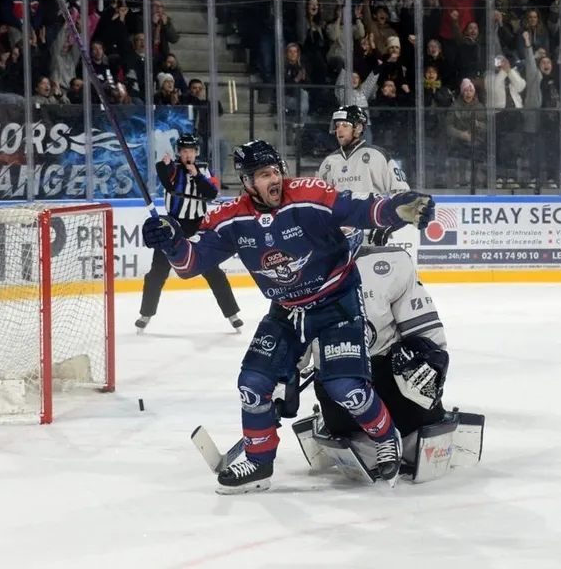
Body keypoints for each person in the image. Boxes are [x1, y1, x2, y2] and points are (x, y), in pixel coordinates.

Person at [141, 140, 435, 494]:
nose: (274, 179)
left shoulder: (310, 194)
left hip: (336, 302)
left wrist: (395, 209)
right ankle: (259, 461)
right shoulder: (230, 217)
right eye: (264, 175)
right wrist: (171, 241)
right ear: (247, 181)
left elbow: (359, 209)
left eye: (275, 171)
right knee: (252, 384)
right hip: (286, 310)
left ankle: (387, 438)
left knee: (346, 388)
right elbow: (191, 263)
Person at [292, 228, 484, 483]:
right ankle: (380, 439)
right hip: (343, 393)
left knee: (411, 447)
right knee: (385, 451)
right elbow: (292, 350)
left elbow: (428, 338)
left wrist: (428, 364)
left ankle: (383, 438)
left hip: (382, 388)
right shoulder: (296, 273)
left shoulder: (387, 265)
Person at [135, 133, 243, 334]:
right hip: (173, 227)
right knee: (157, 272)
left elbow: (211, 193)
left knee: (213, 271)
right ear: (178, 152)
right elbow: (166, 181)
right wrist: (163, 165)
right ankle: (146, 313)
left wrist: (196, 174)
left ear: (196, 152)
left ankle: (232, 314)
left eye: (191, 151)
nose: (187, 155)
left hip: (199, 227)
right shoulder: (172, 168)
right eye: (184, 151)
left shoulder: (203, 169)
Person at [318, 105, 410, 246]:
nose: (339, 129)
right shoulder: (328, 162)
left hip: (369, 237)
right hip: (338, 240)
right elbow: (319, 203)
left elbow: (403, 197)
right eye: (337, 125)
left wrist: (386, 227)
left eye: (345, 125)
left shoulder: (377, 156)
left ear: (359, 128)